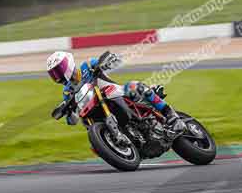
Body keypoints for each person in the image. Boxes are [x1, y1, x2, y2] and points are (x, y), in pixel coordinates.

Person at [46, 51, 184, 133]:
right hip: (95, 109)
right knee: (86, 122)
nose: (57, 75)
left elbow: (115, 60)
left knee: (134, 86)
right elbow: (72, 119)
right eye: (53, 73)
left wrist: (107, 61)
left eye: (58, 70)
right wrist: (68, 112)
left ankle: (169, 113)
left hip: (114, 92)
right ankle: (108, 140)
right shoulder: (67, 91)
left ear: (67, 64)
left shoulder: (87, 66)